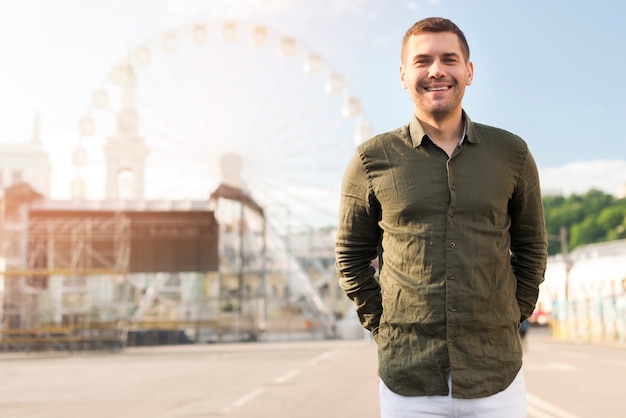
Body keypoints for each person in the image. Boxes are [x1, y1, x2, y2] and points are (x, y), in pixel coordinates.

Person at [335, 17, 547, 417]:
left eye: (449, 59)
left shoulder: (512, 154)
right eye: (422, 60)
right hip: (409, 378)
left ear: (468, 71)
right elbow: (350, 257)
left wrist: (510, 316)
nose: (436, 70)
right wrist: (383, 329)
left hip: (495, 374)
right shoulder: (370, 160)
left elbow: (532, 247)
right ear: (403, 75)